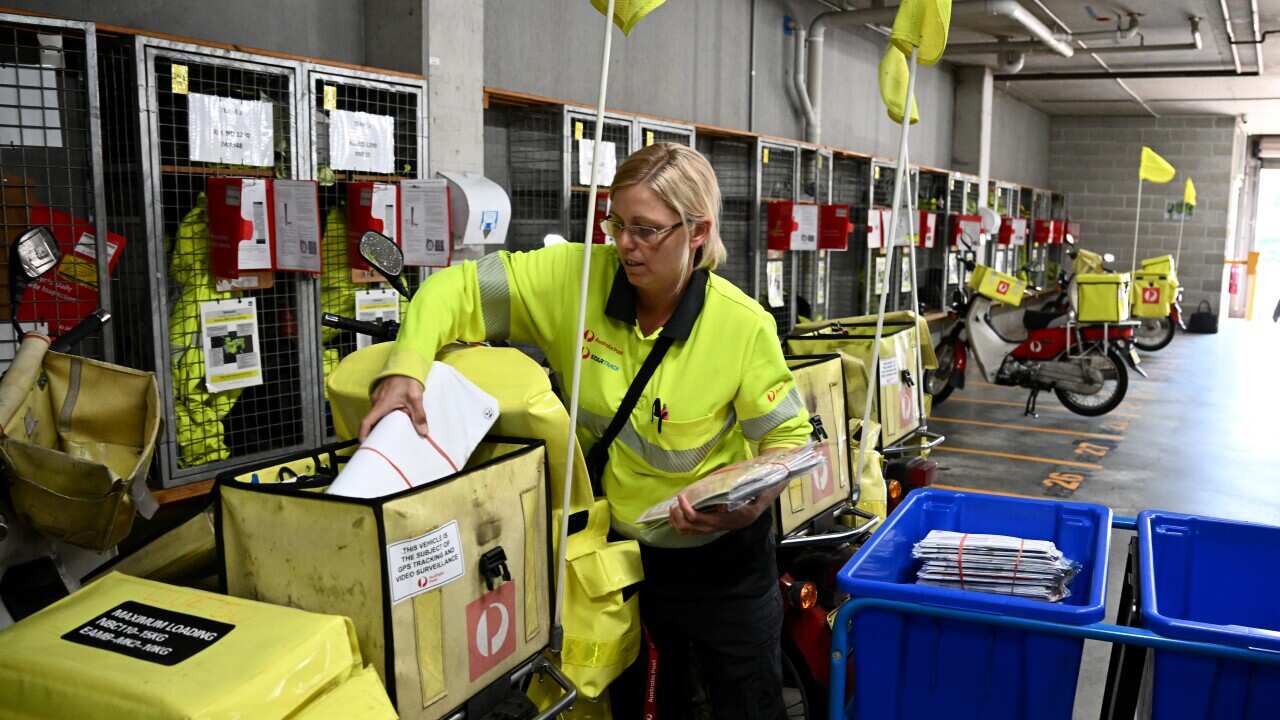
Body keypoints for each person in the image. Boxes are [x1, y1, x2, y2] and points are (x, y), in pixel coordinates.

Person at [360, 143, 812, 719]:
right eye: (616, 223)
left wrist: (748, 503)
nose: (624, 244)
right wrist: (407, 368)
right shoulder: (575, 280)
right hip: (616, 560)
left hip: (722, 562)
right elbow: (459, 290)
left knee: (743, 704)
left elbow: (789, 441)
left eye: (646, 230)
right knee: (635, 701)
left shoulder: (742, 327)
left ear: (697, 232)